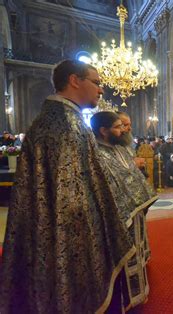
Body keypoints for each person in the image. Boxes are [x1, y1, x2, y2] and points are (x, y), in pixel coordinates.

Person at [0, 60, 134, 313]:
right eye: (96, 82)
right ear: (75, 80)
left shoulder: (52, 118)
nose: (101, 90)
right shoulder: (68, 126)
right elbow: (71, 200)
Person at [90, 111, 158, 309]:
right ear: (104, 131)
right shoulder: (98, 154)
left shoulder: (118, 148)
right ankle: (124, 301)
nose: (123, 130)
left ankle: (136, 295)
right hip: (118, 219)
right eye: (118, 127)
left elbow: (132, 177)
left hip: (134, 212)